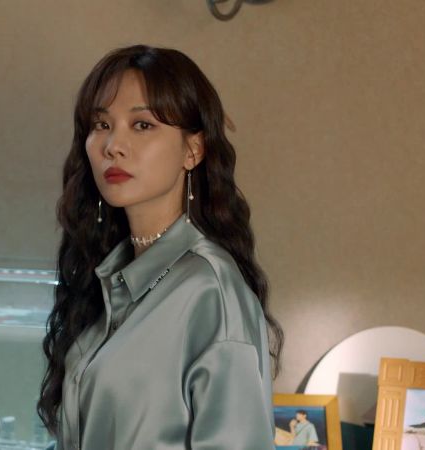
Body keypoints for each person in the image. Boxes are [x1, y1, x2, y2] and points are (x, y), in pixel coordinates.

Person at [35, 44, 283, 450]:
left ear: (193, 150)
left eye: (142, 125)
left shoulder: (210, 291)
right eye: (101, 124)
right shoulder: (109, 279)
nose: (113, 145)